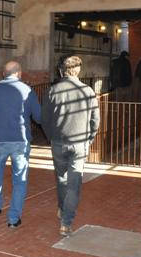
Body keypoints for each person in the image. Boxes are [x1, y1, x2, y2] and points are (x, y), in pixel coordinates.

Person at [0, 60, 41, 229]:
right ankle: (13, 218)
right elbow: (39, 117)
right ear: (19, 73)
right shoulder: (27, 90)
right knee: (20, 180)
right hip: (21, 141)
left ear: (3, 74)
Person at [42, 56, 100, 236]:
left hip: (58, 142)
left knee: (61, 179)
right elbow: (95, 120)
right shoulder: (87, 91)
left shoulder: (52, 90)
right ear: (78, 70)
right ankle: (66, 223)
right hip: (79, 144)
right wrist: (89, 139)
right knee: (74, 184)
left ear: (61, 71)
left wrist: (52, 137)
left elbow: (45, 119)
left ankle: (62, 208)